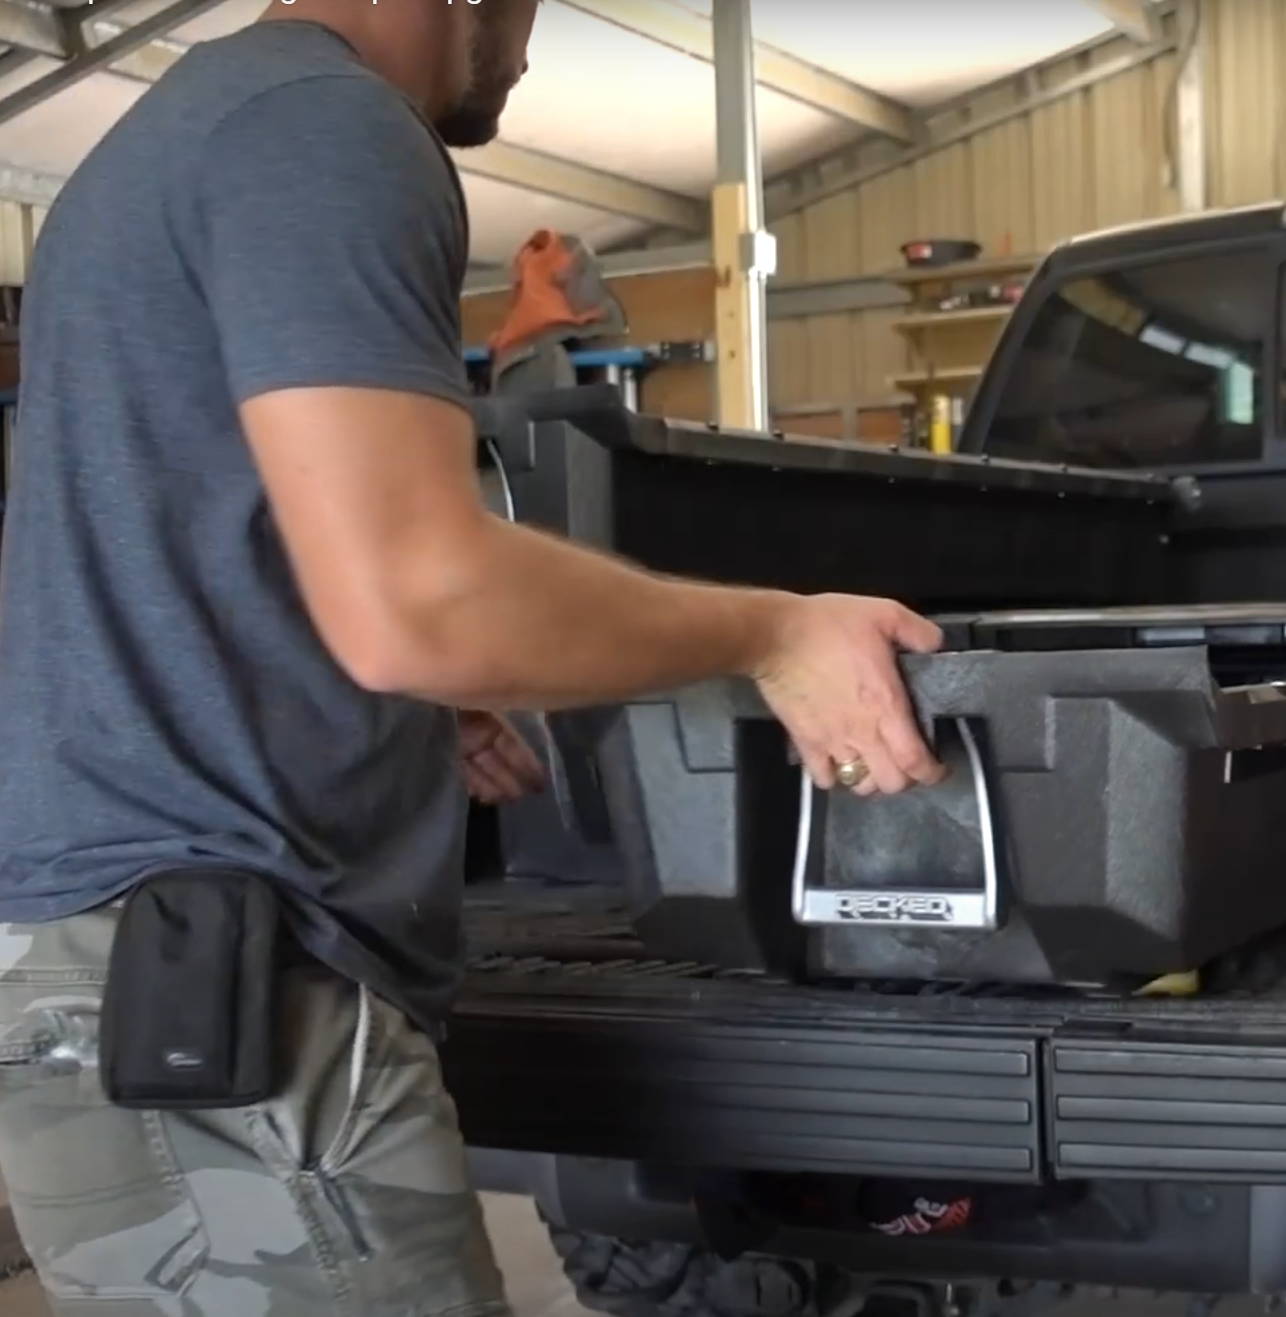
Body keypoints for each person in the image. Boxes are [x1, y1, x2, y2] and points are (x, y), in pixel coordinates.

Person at [0, 3, 946, 1312]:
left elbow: (196, 524)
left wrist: (371, 701)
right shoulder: (325, 127)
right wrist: (776, 632)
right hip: (207, 999)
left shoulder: (185, 129)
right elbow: (420, 600)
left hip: (134, 962)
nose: (526, 39)